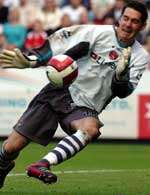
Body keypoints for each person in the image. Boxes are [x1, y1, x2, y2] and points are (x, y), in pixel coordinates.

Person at [0, 0, 149, 187]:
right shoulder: (97, 33)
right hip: (60, 91)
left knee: (91, 129)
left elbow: (124, 92)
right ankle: (3, 164)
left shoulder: (140, 57)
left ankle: (42, 164)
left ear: (142, 26)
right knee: (11, 147)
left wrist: (120, 77)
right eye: (125, 18)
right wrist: (33, 60)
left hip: (86, 106)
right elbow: (63, 44)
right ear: (120, 18)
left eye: (134, 21)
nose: (128, 24)